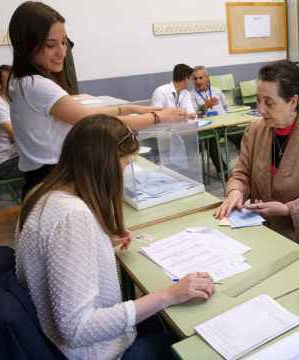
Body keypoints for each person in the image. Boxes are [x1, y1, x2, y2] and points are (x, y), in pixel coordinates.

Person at [15, 114, 215, 359]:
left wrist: (99, 241)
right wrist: (168, 295)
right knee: (191, 338)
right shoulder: (72, 217)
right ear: (105, 165)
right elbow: (77, 328)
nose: (123, 173)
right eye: (123, 165)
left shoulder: (42, 193)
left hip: (65, 342)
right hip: (96, 352)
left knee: (164, 318)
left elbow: (57, 258)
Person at [8, 2, 187, 199]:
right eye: (51, 45)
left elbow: (87, 115)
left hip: (43, 177)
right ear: (27, 44)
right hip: (52, 180)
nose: (61, 52)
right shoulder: (37, 85)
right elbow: (97, 125)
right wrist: (159, 117)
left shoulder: (21, 81)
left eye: (64, 42)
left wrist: (128, 108)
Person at [214, 60, 299, 268]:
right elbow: (242, 173)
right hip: (268, 233)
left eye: (269, 102)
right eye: (258, 101)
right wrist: (236, 191)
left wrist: (288, 209)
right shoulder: (256, 131)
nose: (260, 109)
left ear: (293, 102)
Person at [190, 65, 240, 175]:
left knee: (241, 134)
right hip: (208, 127)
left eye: (201, 78)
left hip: (224, 124)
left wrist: (228, 118)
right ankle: (223, 172)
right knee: (212, 142)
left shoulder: (217, 91)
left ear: (207, 78)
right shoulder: (191, 96)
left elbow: (227, 107)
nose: (198, 81)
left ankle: (245, 165)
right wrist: (204, 107)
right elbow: (193, 115)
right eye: (195, 78)